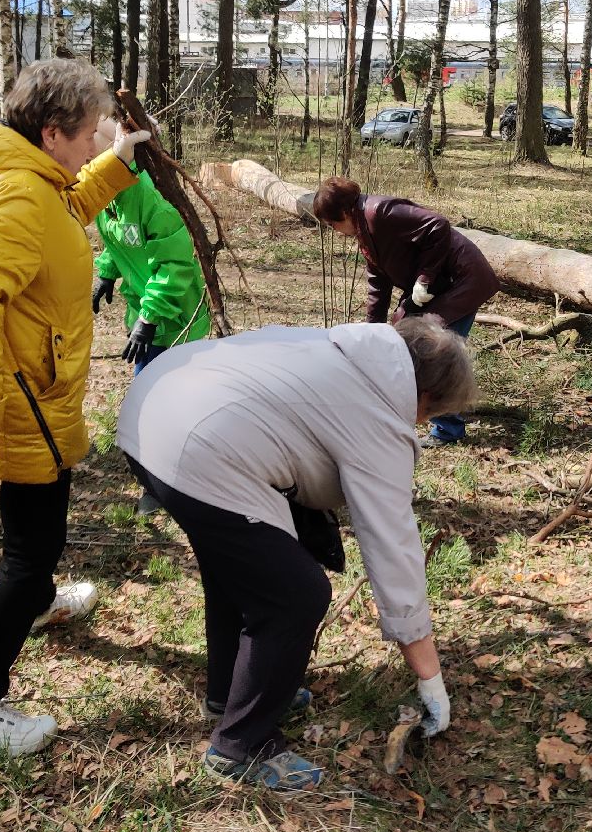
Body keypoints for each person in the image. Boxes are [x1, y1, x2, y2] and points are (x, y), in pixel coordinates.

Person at [118, 316, 476, 791]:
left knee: (240, 573)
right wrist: (429, 675)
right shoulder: (379, 412)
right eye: (428, 415)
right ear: (425, 395)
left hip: (150, 415)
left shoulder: (341, 349)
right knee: (295, 596)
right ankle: (240, 746)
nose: (421, 423)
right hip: (198, 445)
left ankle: (231, 695)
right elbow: (393, 546)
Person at [0, 58, 150, 760]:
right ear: (52, 134)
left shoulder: (33, 181)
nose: (95, 141)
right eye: (89, 135)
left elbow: (65, 216)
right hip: (19, 408)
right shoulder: (19, 195)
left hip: (36, 395)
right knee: (30, 551)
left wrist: (114, 165)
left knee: (33, 546)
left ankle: (38, 599)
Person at [310, 176, 497, 447]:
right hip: (441, 287)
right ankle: (430, 413)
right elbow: (378, 282)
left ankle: (447, 430)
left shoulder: (379, 212)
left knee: (435, 351)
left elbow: (438, 225)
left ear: (345, 212)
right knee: (404, 330)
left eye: (332, 224)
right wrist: (371, 331)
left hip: (462, 280)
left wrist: (425, 278)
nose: (335, 230)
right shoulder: (364, 230)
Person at [89, 118, 211, 514]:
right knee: (151, 396)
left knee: (159, 402)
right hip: (147, 311)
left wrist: (151, 318)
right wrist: (106, 274)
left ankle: (164, 485)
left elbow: (174, 266)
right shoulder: (109, 193)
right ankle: (162, 478)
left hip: (176, 318)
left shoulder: (148, 197)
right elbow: (120, 239)